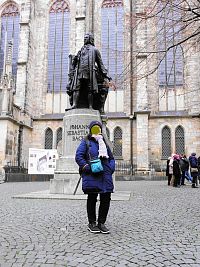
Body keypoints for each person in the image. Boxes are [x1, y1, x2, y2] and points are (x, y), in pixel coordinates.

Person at [75, 121, 115, 234]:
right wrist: (87, 167)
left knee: (106, 198)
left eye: (99, 128)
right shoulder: (86, 141)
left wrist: (111, 167)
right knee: (92, 198)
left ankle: (101, 223)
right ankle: (92, 223)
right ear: (91, 129)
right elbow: (79, 156)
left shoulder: (104, 142)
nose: (97, 130)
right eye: (94, 128)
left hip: (105, 175)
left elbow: (111, 157)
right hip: (93, 174)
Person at [67, 33, 111, 110]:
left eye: (86, 38)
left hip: (89, 72)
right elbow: (75, 61)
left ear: (90, 39)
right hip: (80, 72)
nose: (85, 39)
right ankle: (74, 104)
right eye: (84, 38)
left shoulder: (95, 50)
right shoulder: (81, 50)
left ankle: (90, 106)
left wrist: (106, 74)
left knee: (90, 89)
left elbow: (100, 64)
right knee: (76, 88)